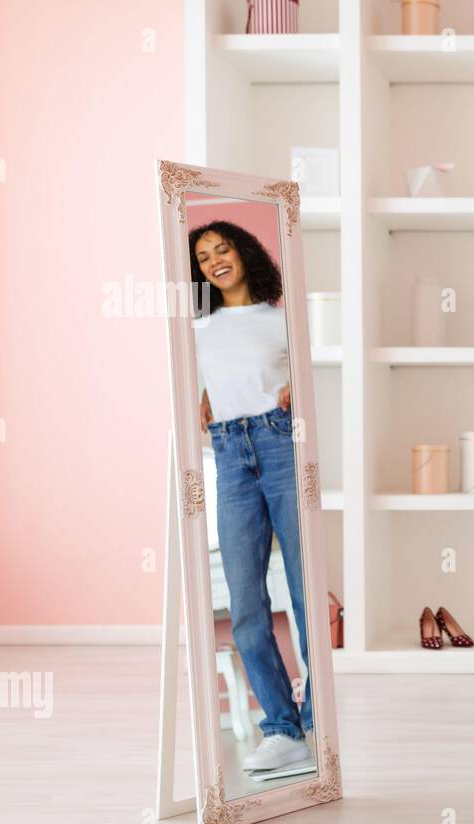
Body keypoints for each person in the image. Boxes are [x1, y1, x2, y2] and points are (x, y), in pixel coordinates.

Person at [190, 219, 314, 773]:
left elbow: (311, 376)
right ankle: (282, 729)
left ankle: (320, 716)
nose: (215, 259)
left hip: (280, 442)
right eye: (202, 256)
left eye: (223, 248)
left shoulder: (283, 317)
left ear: (244, 254)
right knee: (246, 605)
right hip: (229, 456)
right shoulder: (197, 329)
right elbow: (196, 387)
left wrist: (299, 385)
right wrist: (198, 398)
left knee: (304, 587)